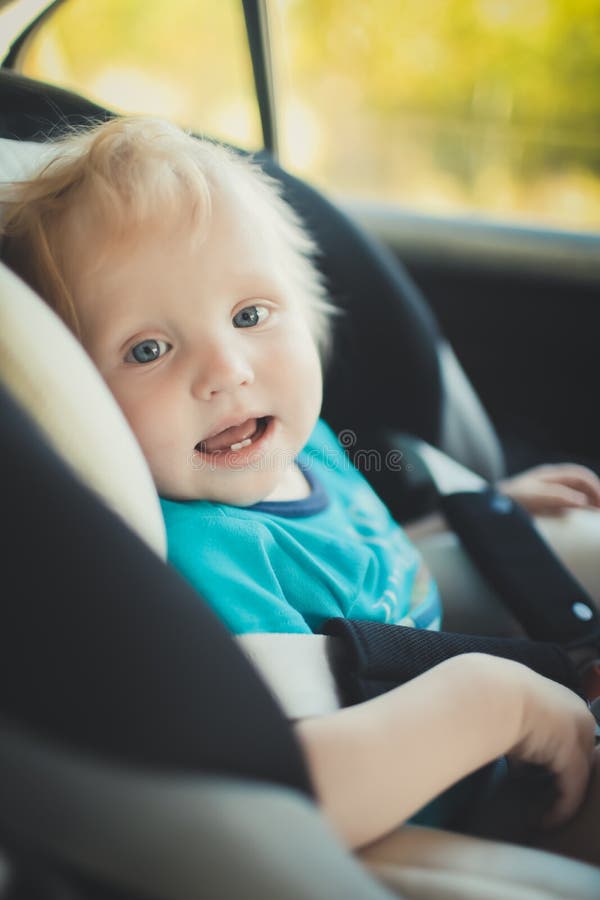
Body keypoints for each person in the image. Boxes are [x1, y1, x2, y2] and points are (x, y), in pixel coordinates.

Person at [1, 116, 599, 859]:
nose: (226, 370)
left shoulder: (298, 445)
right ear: (77, 399)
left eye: (250, 314)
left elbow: (348, 583)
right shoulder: (198, 562)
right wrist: (497, 706)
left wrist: (468, 516)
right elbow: (285, 797)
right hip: (413, 829)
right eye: (147, 349)